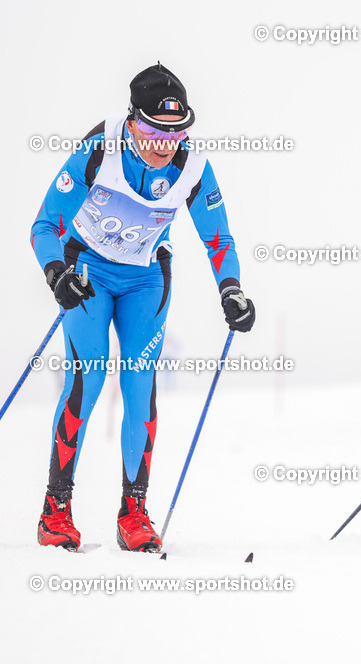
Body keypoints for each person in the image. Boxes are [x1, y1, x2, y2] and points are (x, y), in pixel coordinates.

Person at [32, 63, 256, 552]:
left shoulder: (191, 165)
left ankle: (133, 513)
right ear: (133, 121)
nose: (165, 144)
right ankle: (56, 510)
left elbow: (218, 238)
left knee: (140, 388)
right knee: (88, 379)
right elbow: (45, 225)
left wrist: (231, 290)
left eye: (176, 132)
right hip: (87, 272)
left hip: (147, 279)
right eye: (154, 131)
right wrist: (56, 274)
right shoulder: (100, 148)